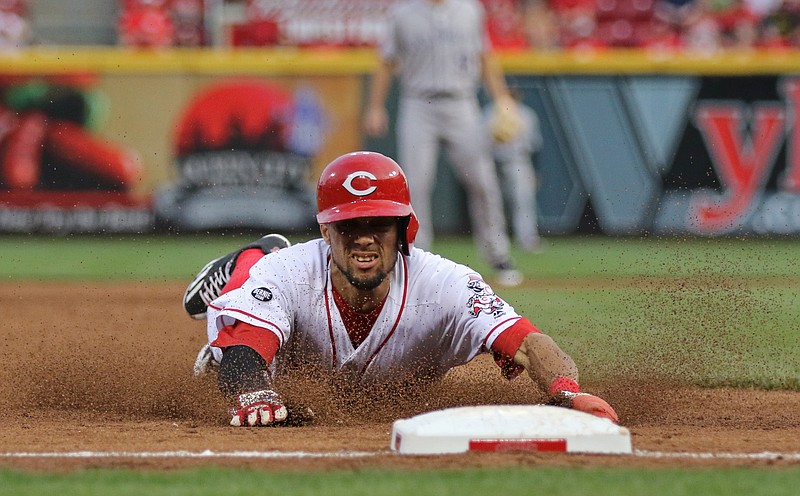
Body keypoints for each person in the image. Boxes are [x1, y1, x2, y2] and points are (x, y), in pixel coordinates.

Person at [184, 151, 618, 427]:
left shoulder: (447, 284)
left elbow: (529, 343)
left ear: (404, 228)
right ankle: (249, 258)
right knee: (243, 309)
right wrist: (251, 390)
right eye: (349, 226)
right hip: (266, 302)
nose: (364, 238)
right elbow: (243, 355)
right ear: (326, 232)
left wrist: (565, 391)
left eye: (378, 223)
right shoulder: (289, 272)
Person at [363, 0, 523, 287]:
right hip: (418, 103)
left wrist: (502, 99)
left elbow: (485, 57)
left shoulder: (470, 10)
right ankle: (417, 258)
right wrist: (375, 106)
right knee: (416, 185)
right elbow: (386, 62)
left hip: (462, 103)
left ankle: (497, 253)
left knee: (483, 182)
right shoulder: (403, 14)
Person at [482, 90, 544, 253]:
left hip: (518, 160)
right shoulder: (490, 112)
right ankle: (494, 241)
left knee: (522, 200)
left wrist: (536, 170)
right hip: (491, 161)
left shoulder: (526, 114)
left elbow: (534, 146)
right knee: (491, 201)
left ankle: (527, 238)